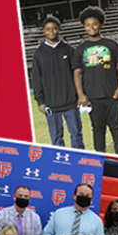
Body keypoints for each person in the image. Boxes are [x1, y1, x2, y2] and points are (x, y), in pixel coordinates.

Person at [74, 6, 118, 155]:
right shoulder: (80, 49)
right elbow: (77, 73)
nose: (91, 27)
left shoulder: (111, 45)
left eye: (94, 24)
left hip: (112, 96)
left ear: (100, 24)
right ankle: (100, 158)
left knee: (116, 127)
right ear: (84, 27)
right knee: (98, 129)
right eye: (88, 25)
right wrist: (81, 95)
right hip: (92, 97)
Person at [32, 16, 84, 149]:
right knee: (56, 137)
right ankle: (60, 163)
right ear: (44, 31)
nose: (51, 31)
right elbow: (37, 79)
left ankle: (79, 160)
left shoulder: (69, 50)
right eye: (48, 29)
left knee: (76, 134)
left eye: (54, 28)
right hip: (51, 103)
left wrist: (80, 95)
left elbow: (77, 74)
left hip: (71, 101)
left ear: (59, 29)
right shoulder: (39, 53)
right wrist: (40, 101)